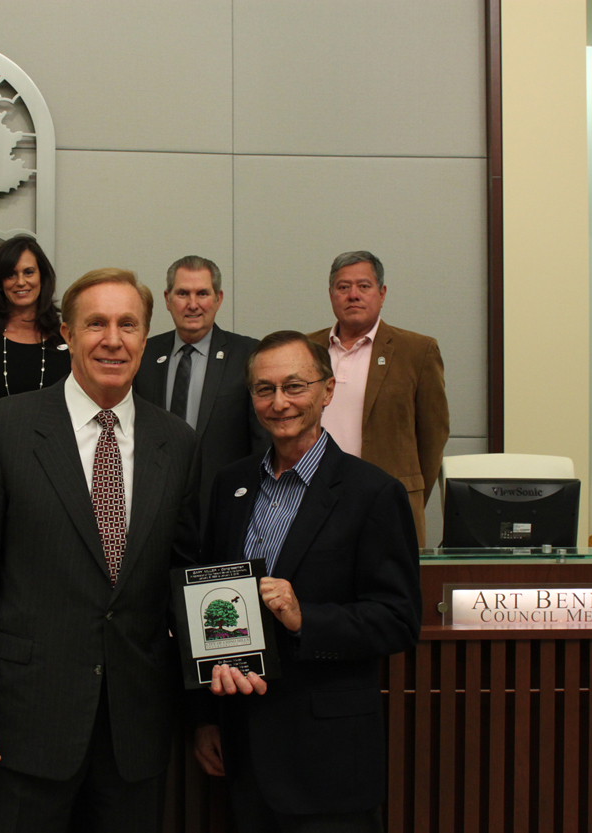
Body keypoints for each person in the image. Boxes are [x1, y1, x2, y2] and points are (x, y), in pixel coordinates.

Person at [0, 269, 200, 833]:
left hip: (137, 725)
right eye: (96, 324)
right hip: (28, 721)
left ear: (146, 335)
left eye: (128, 324)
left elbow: (184, 572)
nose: (113, 339)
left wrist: (228, 644)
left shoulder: (176, 441)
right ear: (66, 334)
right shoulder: (4, 429)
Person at [194, 330, 422, 833]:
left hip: (328, 759)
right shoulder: (230, 485)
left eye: (294, 386)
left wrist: (306, 619)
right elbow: (211, 603)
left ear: (327, 389)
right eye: (264, 389)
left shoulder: (372, 493)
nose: (279, 403)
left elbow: (400, 620)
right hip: (243, 748)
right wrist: (208, 717)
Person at [306, 251, 449, 547]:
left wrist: (408, 488)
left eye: (364, 286)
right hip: (313, 496)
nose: (353, 295)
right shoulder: (305, 348)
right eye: (343, 287)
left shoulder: (417, 351)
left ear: (382, 293)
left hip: (387, 500)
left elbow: (433, 436)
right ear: (331, 294)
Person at [134, 255, 267, 528]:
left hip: (224, 509)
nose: (192, 304)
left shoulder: (249, 355)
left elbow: (262, 443)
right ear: (168, 299)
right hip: (150, 509)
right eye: (182, 293)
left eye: (202, 293)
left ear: (218, 299)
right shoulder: (142, 354)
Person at [0, 235, 72, 408]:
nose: (20, 282)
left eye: (28, 272)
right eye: (11, 274)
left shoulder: (69, 340)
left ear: (42, 277)